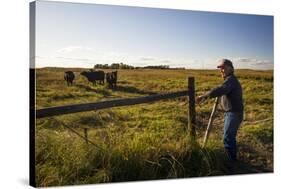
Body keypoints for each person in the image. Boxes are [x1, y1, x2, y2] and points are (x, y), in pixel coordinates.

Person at [196, 59, 244, 161]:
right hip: (232, 113)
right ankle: (232, 158)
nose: (221, 70)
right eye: (220, 68)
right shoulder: (230, 80)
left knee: (228, 137)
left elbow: (221, 89)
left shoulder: (231, 80)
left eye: (224, 68)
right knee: (229, 136)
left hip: (233, 114)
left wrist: (203, 96)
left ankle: (231, 161)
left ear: (231, 68)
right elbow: (222, 89)